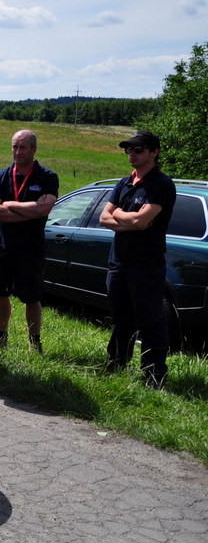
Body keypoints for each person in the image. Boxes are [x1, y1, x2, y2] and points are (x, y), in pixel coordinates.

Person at [98, 130, 175, 388]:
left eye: (138, 149)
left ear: (154, 152)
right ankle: (117, 363)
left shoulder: (161, 184)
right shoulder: (123, 183)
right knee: (121, 318)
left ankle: (154, 375)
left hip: (146, 265)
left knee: (150, 319)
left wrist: (121, 215)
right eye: (128, 149)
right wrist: (129, 218)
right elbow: (103, 218)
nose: (132, 153)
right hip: (118, 262)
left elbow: (142, 222)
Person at [0, 130, 59, 352]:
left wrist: (9, 205)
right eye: (14, 147)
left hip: (30, 247)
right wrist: (29, 210)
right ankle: (1, 335)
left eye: (23, 147)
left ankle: (34, 341)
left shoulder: (47, 177)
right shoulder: (0, 176)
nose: (18, 152)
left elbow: (44, 208)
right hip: (1, 245)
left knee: (31, 296)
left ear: (34, 149)